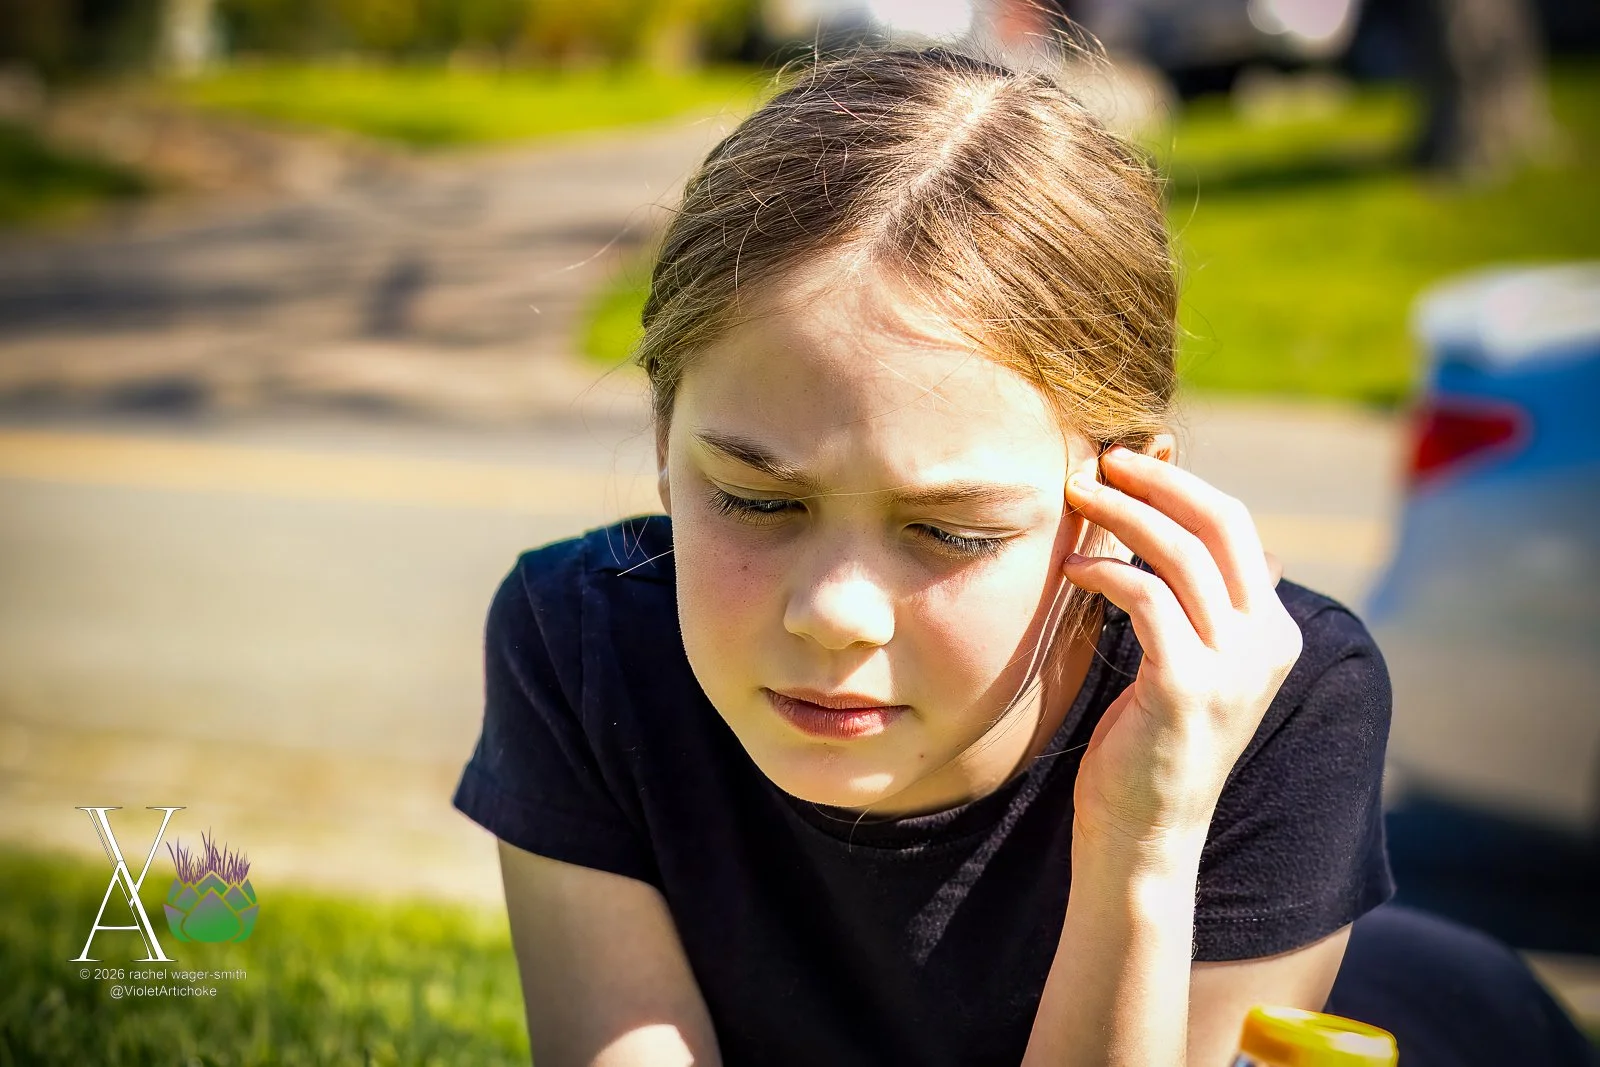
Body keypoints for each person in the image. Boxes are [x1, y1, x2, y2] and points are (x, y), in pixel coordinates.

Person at [451, 45, 1596, 1067]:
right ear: (664, 444)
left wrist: (1143, 837)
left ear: (1116, 494)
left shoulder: (1264, 707)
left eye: (949, 528)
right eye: (757, 498)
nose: (835, 611)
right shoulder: (581, 644)